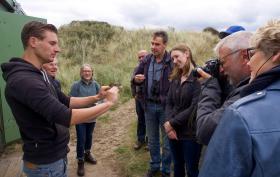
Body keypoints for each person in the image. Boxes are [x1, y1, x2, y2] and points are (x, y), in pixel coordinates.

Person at [0, 21, 118, 177]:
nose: (58, 49)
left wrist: (98, 97)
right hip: (45, 166)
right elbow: (66, 116)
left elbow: (67, 101)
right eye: (52, 43)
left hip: (54, 159)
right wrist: (109, 103)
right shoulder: (25, 81)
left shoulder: (40, 74)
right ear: (33, 41)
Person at [198, 19, 280, 177]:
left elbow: (204, 130)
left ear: (275, 55)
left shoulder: (241, 114)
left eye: (253, 54)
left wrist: (209, 85)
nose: (249, 63)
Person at [196, 31, 252, 145]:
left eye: (223, 62)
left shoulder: (248, 91)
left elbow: (204, 131)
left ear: (244, 56)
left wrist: (210, 84)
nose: (221, 70)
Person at [134, 31, 172, 177]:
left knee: (167, 141)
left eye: (157, 44)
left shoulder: (171, 61)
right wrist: (136, 79)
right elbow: (135, 75)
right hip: (148, 106)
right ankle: (155, 165)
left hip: (165, 107)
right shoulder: (147, 60)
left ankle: (166, 170)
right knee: (153, 139)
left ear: (164, 45)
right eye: (152, 43)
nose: (153, 47)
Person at [164, 44, 202, 177]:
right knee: (178, 165)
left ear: (187, 54)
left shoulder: (198, 78)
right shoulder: (176, 77)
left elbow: (194, 108)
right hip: (174, 132)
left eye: (176, 57)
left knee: (192, 169)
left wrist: (171, 123)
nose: (174, 61)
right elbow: (169, 102)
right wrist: (169, 125)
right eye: (172, 58)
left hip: (190, 134)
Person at [70, 64, 100, 176]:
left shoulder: (96, 84)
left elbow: (101, 98)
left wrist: (98, 104)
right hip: (80, 117)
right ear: (81, 73)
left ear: (92, 72)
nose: (87, 73)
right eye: (85, 71)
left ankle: (87, 153)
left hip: (92, 117)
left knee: (89, 136)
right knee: (81, 138)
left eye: (89, 71)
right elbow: (71, 100)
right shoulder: (76, 86)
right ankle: (80, 160)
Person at [131, 49, 148, 150]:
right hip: (139, 98)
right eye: (139, 57)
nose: (141, 58)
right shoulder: (136, 68)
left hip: (149, 98)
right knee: (140, 119)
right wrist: (134, 95)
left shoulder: (152, 67)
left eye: (143, 56)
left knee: (150, 119)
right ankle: (140, 139)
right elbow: (132, 82)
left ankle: (150, 141)